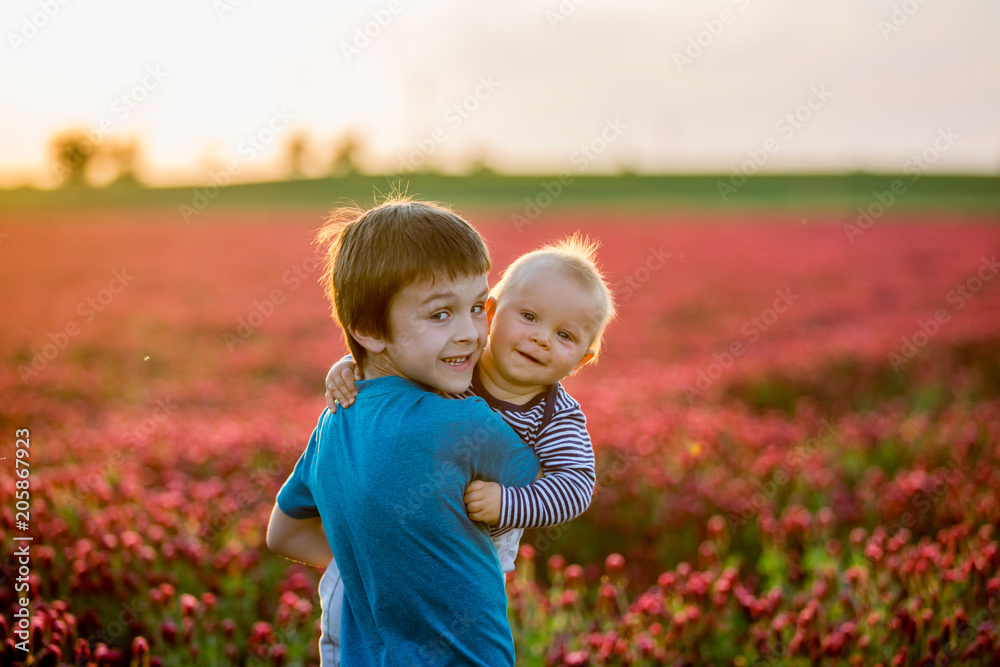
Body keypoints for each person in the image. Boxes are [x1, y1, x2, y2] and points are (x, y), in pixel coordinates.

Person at [265, 197, 541, 666]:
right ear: (370, 329)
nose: (472, 334)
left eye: (478, 307)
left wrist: (375, 562)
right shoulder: (463, 422)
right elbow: (539, 474)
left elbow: (282, 535)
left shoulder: (331, 424)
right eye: (440, 314)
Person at [319, 234, 617, 665]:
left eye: (565, 335)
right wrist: (347, 366)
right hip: (402, 523)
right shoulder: (460, 363)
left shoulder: (557, 417)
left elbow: (575, 488)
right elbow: (399, 357)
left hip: (478, 550)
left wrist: (509, 502)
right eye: (529, 316)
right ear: (490, 313)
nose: (540, 339)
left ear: (583, 360)